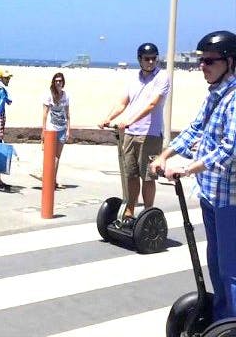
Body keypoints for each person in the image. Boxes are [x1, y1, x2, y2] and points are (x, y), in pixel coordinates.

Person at [151, 30, 236, 322]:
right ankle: (223, 318)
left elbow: (230, 150)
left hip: (231, 199)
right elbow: (195, 129)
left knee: (231, 269)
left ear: (230, 62)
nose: (203, 66)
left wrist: (187, 168)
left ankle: (231, 322)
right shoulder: (215, 95)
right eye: (201, 61)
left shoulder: (235, 98)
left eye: (210, 61)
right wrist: (165, 155)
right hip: (211, 194)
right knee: (214, 263)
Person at [99, 42, 169, 223]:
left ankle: (148, 213)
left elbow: (152, 104)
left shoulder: (162, 77)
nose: (151, 62)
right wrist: (108, 117)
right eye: (147, 59)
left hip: (151, 134)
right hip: (131, 134)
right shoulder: (133, 80)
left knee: (148, 176)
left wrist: (129, 120)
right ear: (139, 59)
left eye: (154, 58)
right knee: (131, 174)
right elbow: (123, 103)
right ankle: (129, 211)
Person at [42, 72, 71, 189]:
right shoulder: (49, 95)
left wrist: (68, 129)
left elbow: (68, 113)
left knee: (57, 157)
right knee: (50, 156)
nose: (58, 83)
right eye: (56, 81)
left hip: (62, 129)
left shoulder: (66, 96)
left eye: (60, 81)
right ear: (53, 82)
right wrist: (43, 130)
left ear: (63, 82)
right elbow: (44, 114)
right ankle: (48, 179)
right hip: (51, 129)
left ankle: (53, 180)